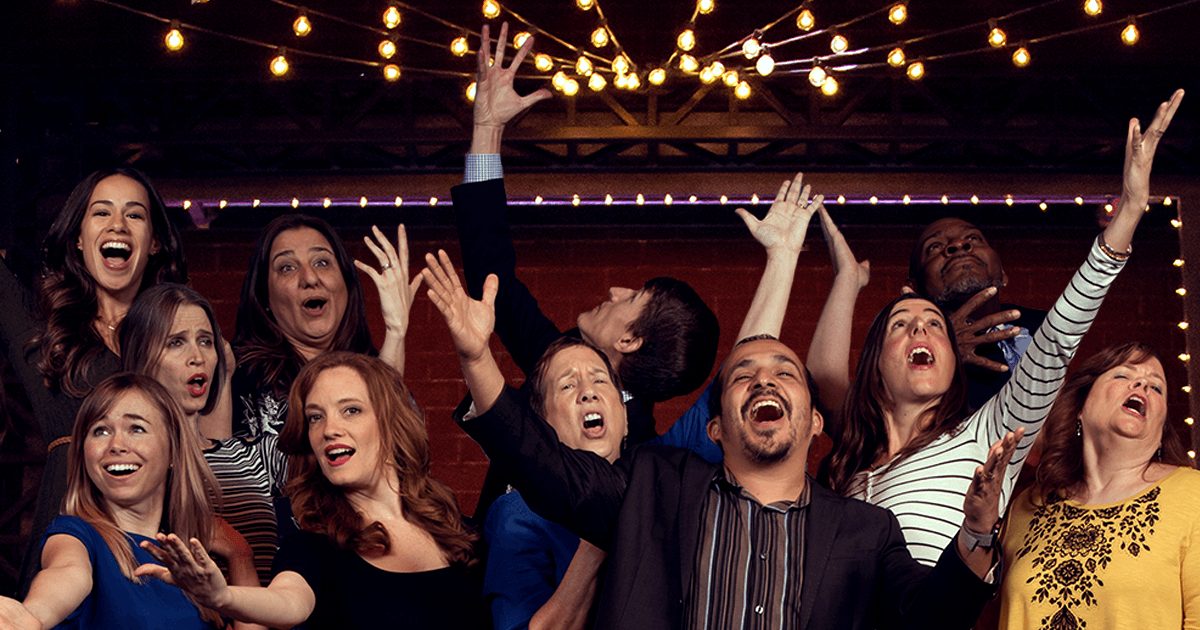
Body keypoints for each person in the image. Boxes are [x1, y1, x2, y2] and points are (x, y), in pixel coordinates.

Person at [425, 249, 1015, 630]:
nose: (764, 378)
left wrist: (978, 532)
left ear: (814, 421)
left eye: (785, 371)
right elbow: (546, 472)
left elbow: (931, 620)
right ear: (716, 426)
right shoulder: (652, 490)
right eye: (744, 374)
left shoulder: (865, 530)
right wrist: (478, 358)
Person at [822, 88, 1184, 566]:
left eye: (972, 240)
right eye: (936, 249)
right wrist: (848, 281)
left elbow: (1057, 342)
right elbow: (825, 381)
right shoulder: (857, 459)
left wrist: (1130, 214)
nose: (955, 248)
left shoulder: (983, 432)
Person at [454, 22, 719, 515]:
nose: (616, 289)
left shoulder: (640, 458)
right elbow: (494, 278)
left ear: (630, 341)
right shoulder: (554, 358)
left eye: (632, 297)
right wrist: (488, 131)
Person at [133, 352, 486, 629]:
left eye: (350, 410)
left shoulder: (460, 533)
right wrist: (222, 595)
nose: (330, 429)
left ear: (391, 423)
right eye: (316, 417)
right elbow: (287, 604)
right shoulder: (314, 547)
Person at [0, 168, 189, 593]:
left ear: (155, 242)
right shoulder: (45, 340)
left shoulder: (180, 343)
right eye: (101, 212)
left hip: (157, 536)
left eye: (135, 215)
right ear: (79, 240)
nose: (118, 225)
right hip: (64, 526)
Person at [1000, 342, 1200, 629]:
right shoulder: (1027, 505)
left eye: (1156, 388)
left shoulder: (1192, 495)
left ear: (1161, 428)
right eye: (1123, 375)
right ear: (1080, 407)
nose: (1143, 383)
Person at [0, 374, 220, 628]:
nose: (116, 445)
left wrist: (241, 558)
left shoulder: (187, 559)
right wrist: (30, 616)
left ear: (173, 449)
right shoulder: (74, 535)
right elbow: (67, 573)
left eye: (136, 428)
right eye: (100, 431)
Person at [120, 283, 287, 585]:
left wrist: (395, 331)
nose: (197, 356)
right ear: (142, 358)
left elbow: (369, 451)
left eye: (206, 341)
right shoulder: (126, 464)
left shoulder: (253, 454)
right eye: (176, 343)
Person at [231, 217, 421, 438]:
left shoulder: (381, 365)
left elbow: (398, 456)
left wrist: (396, 333)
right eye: (287, 268)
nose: (310, 278)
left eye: (321, 262)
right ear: (264, 296)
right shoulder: (237, 375)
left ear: (347, 284)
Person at [907, 217, 1044, 410]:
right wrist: (943, 349)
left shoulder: (1044, 325)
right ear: (916, 289)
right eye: (934, 247)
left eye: (973, 238)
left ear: (1003, 273)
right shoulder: (907, 348)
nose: (958, 245)